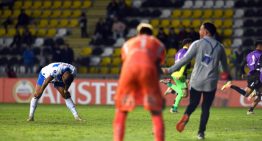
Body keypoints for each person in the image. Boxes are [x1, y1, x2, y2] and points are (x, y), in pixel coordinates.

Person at [162, 22, 230, 140]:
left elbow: (184, 60)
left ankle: (186, 115)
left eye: (200, 30)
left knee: (193, 103)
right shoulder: (220, 47)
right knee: (205, 108)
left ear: (206, 32)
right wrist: (226, 77)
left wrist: (169, 70)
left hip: (196, 80)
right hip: (211, 81)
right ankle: (201, 133)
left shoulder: (197, 44)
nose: (199, 32)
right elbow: (224, 68)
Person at [113, 23, 166, 141]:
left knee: (121, 110)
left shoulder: (127, 43)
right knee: (156, 112)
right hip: (148, 69)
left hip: (128, 70)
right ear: (151, 33)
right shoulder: (158, 44)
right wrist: (158, 95)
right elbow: (157, 68)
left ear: (138, 33)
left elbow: (125, 62)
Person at [221, 40, 262, 115]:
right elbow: (259, 66)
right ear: (259, 46)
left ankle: (250, 110)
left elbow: (243, 65)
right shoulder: (261, 54)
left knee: (259, 96)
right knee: (246, 94)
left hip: (252, 75)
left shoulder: (249, 54)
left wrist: (243, 72)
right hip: (256, 76)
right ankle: (230, 85)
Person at [160, 38, 192, 113]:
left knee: (183, 94)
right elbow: (185, 64)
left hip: (175, 73)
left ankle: (171, 90)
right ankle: (169, 86)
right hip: (180, 75)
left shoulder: (178, 52)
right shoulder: (187, 52)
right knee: (183, 94)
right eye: (191, 44)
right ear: (187, 44)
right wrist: (183, 75)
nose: (192, 46)